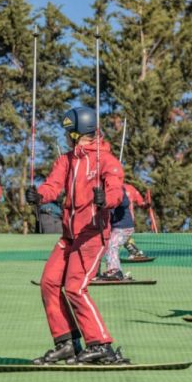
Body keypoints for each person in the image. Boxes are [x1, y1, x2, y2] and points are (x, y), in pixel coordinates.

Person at [25, 106, 126, 364]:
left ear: (83, 133)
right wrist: (39, 196)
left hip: (92, 235)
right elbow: (53, 185)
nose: (67, 138)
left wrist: (106, 200)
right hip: (70, 236)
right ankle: (67, 341)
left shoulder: (106, 161)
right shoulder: (67, 160)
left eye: (71, 134)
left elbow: (115, 190)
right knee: (49, 282)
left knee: (75, 288)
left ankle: (101, 344)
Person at [96, 183, 149, 280]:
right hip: (114, 227)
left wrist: (105, 201)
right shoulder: (103, 190)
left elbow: (124, 202)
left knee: (112, 245)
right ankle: (96, 272)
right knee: (100, 245)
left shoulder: (118, 189)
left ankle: (115, 270)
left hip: (124, 227)